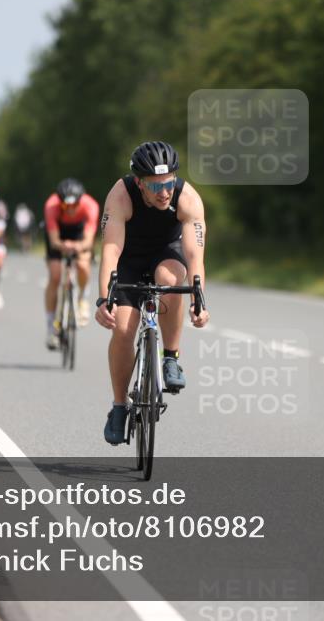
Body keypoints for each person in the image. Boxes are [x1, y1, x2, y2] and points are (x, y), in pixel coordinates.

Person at [94, 141, 210, 445]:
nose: (164, 192)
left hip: (167, 253)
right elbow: (110, 252)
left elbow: (195, 257)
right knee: (122, 329)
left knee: (170, 280)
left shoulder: (188, 198)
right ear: (139, 183)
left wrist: (199, 300)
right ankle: (119, 407)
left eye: (169, 183)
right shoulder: (120, 196)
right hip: (129, 259)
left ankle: (170, 356)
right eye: (155, 186)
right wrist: (105, 299)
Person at [44, 178, 99, 348]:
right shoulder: (51, 206)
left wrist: (78, 246)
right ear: (60, 202)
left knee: (82, 265)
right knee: (55, 276)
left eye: (74, 205)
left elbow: (88, 240)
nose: (70, 209)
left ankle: (82, 297)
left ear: (80, 201)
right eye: (66, 205)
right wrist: (63, 245)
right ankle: (51, 326)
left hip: (79, 233)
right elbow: (54, 241)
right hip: (59, 233)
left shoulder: (90, 206)